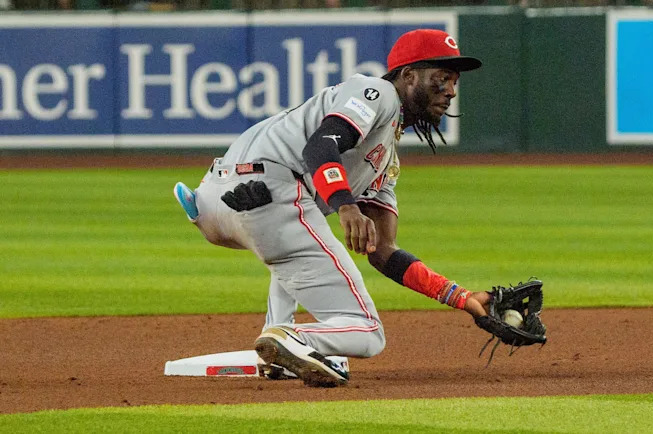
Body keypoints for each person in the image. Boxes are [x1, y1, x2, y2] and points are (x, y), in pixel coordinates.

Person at [172, 29, 545, 386]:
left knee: (305, 238)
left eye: (454, 82)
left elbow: (384, 251)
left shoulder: (385, 161)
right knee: (367, 333)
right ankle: (292, 337)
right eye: (441, 78)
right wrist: (346, 206)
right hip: (267, 193)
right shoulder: (378, 92)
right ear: (409, 75)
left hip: (217, 205)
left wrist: (462, 297)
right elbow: (320, 147)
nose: (450, 91)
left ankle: (278, 350)